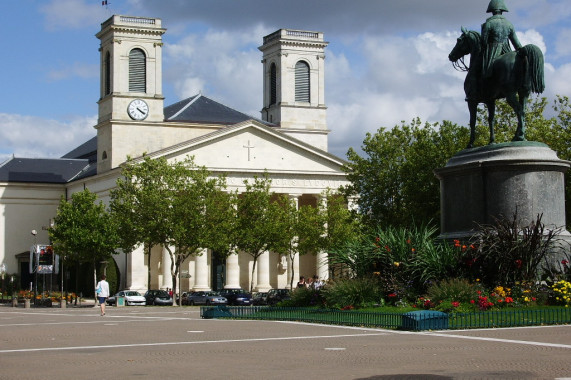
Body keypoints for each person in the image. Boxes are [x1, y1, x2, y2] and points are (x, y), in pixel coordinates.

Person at [481, 0, 522, 78]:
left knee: (485, 72)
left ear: (492, 10)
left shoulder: (488, 23)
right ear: (502, 10)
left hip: (492, 51)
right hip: (506, 50)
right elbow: (516, 43)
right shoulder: (509, 24)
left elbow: (483, 41)